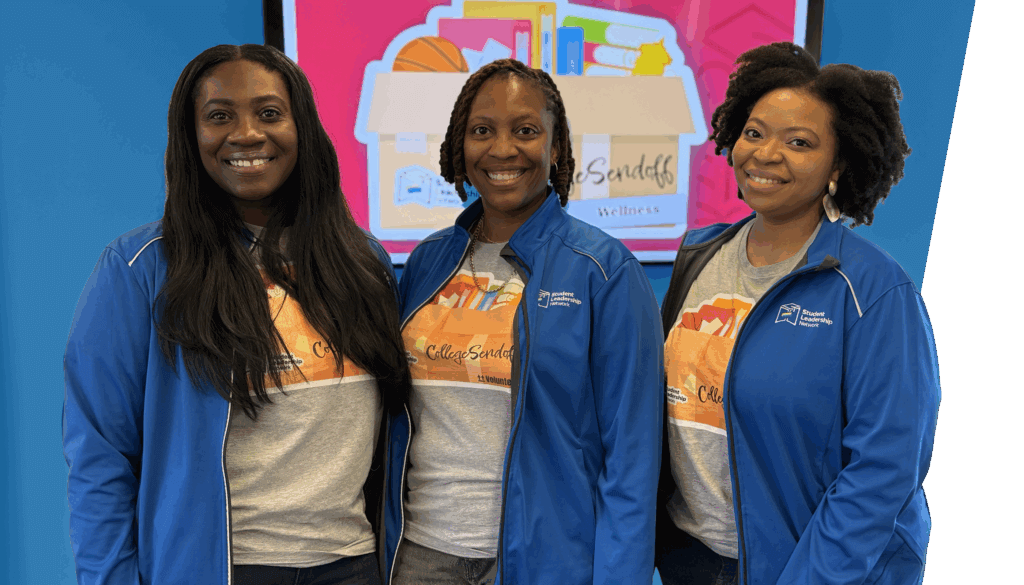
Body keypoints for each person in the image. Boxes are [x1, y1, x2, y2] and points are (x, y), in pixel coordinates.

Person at [63, 44, 410, 585]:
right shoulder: (140, 269)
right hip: (220, 571)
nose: (247, 134)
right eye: (219, 116)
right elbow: (100, 457)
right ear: (191, 135)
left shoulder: (361, 264)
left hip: (353, 567)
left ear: (303, 129)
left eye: (270, 113)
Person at [654, 42, 940, 585]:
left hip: (811, 568)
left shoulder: (873, 290)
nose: (764, 154)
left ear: (839, 163)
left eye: (800, 142)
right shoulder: (699, 256)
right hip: (690, 557)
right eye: (755, 133)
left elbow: (884, 471)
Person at [381, 59, 664, 585]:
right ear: (459, 146)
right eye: (482, 130)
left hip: (545, 562)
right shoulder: (427, 263)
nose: (502, 149)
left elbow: (633, 456)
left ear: (554, 148)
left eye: (526, 131)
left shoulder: (603, 270)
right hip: (419, 556)